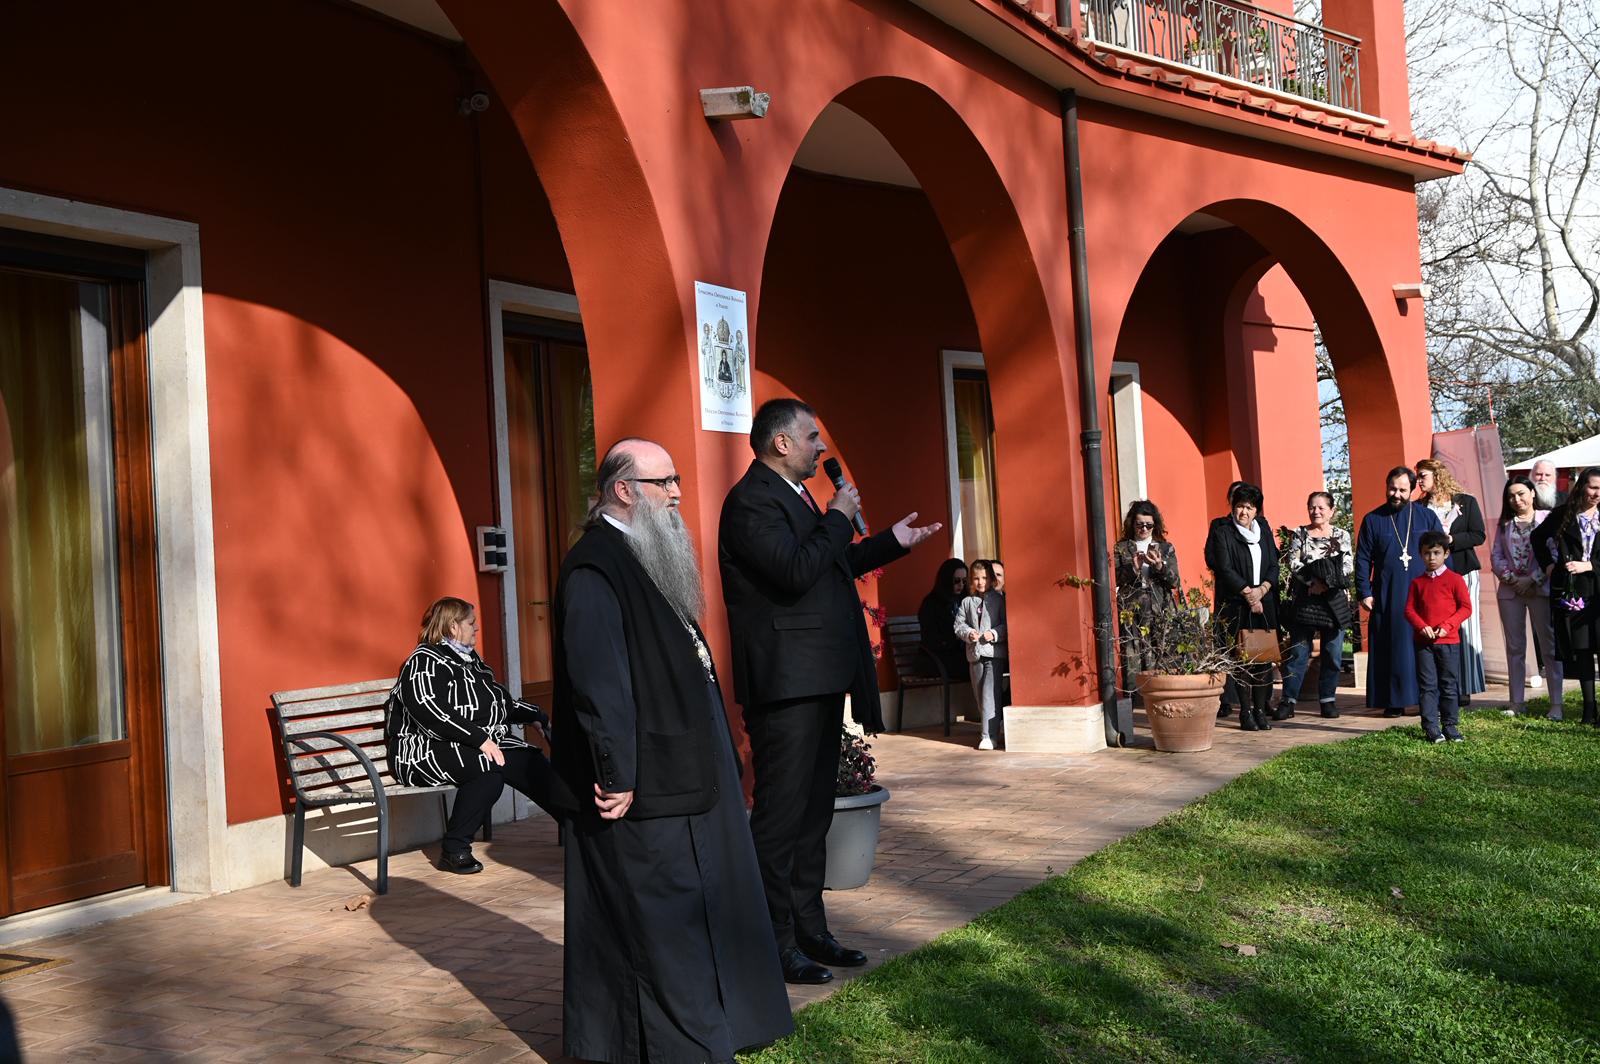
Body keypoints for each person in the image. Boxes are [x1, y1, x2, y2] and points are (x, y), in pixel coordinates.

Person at [552, 438, 792, 1064]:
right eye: (665, 483)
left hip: (685, 767)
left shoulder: (643, 553)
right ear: (624, 490)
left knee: (706, 905)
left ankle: (723, 1028)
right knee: (659, 921)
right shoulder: (594, 567)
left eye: (677, 480)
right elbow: (599, 684)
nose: (678, 493)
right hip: (644, 782)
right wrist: (617, 773)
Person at [720, 398, 940, 985]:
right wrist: (840, 514)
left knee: (815, 813)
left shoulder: (796, 496)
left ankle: (810, 930)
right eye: (812, 437)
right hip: (785, 684)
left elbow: (828, 563)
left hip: (817, 678)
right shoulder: (750, 502)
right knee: (781, 817)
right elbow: (793, 570)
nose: (822, 447)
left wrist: (891, 541)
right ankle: (772, 942)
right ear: (780, 443)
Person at [387, 597, 553, 874]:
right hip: (421, 749)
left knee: (528, 760)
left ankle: (579, 827)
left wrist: (536, 715)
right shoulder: (424, 661)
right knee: (487, 768)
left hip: (464, 742)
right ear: (453, 627)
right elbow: (430, 711)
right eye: (471, 622)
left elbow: (496, 702)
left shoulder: (470, 661)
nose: (476, 628)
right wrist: (481, 740)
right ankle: (454, 850)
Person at [1356, 467, 1444, 717]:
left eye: (1402, 490)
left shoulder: (1427, 517)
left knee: (1423, 649)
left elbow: (1441, 553)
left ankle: (1426, 700)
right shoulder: (1373, 519)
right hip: (1388, 593)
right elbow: (1363, 558)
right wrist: (1364, 591)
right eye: (1392, 489)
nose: (1396, 494)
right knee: (1392, 648)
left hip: (1424, 594)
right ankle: (1392, 701)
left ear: (1412, 490)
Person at [1205, 482, 1280, 731]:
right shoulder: (1223, 532)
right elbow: (1224, 568)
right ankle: (1245, 712)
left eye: (1249, 507)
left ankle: (1260, 711)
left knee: (1263, 659)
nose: (1243, 512)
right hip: (1238, 604)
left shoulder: (1264, 530)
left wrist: (1262, 591)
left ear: (1256, 510)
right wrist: (1249, 594)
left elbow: (1274, 564)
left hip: (1264, 603)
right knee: (1241, 660)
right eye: (1239, 506)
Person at [1415, 458, 1487, 705]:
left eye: (1423, 475)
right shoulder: (1419, 507)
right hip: (1432, 578)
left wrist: (1451, 540)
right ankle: (1439, 687)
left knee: (1465, 628)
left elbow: (1478, 535)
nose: (1419, 481)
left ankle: (1465, 686)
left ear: (1437, 475)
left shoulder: (1466, 502)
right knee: (1436, 627)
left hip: (1464, 571)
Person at [1277, 492, 1355, 720]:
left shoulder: (1341, 535)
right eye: (1312, 507)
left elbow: (1347, 564)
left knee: (1333, 653)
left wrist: (1326, 583)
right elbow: (1293, 562)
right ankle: (1288, 701)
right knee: (1298, 653)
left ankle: (1328, 701)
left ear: (1332, 511)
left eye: (1321, 507)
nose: (1316, 511)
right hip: (1307, 598)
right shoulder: (1300, 534)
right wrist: (1313, 582)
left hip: (1334, 600)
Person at [1533, 465, 1600, 726]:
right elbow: (1537, 537)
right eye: (1593, 488)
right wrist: (1549, 565)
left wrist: (1590, 565)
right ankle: (1588, 709)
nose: (1597, 494)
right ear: (1582, 486)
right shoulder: (1563, 514)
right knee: (1582, 650)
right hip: (1574, 592)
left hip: (1598, 587)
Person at [1491, 474, 1562, 717]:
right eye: (1511, 496)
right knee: (1515, 647)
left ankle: (1556, 704)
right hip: (1511, 591)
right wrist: (1512, 579)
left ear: (1532, 493)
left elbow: (1554, 553)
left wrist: (1533, 579)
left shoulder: (1547, 519)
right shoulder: (1504, 524)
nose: (1516, 499)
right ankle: (1516, 703)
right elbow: (1496, 556)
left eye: (1521, 493)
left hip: (1540, 588)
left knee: (1549, 646)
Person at [1404, 530, 1473, 743]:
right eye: (1427, 553)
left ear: (1446, 553)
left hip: (1449, 642)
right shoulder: (1417, 583)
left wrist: (1447, 626)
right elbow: (1409, 610)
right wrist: (1422, 626)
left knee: (1449, 685)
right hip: (1423, 644)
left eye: (1436, 553)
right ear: (1420, 554)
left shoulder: (1455, 580)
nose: (1431, 558)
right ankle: (1431, 727)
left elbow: (1465, 608)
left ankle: (1450, 726)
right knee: (1427, 686)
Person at [1112, 501, 1181, 698]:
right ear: (1132, 523)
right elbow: (1114, 578)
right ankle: (1134, 701)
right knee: (1132, 656)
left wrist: (1159, 566)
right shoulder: (1122, 548)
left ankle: (1162, 698)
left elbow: (1174, 581)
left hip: (1160, 611)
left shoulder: (1165, 547)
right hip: (1131, 612)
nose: (1144, 529)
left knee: (1161, 655)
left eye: (1148, 525)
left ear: (1154, 525)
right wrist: (1133, 568)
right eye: (1139, 524)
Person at [954, 559, 1006, 750]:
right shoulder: (967, 602)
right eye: (976, 578)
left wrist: (994, 634)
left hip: (993, 654)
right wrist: (968, 633)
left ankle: (988, 736)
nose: (981, 582)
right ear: (971, 580)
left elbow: (1006, 625)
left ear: (991, 579)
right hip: (974, 654)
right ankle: (990, 729)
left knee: (989, 694)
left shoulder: (999, 600)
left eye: (984, 578)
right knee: (979, 694)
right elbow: (958, 625)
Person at [916, 559, 970, 681]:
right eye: (956, 581)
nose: (961, 585)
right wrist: (956, 637)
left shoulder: (965, 600)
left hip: (960, 654)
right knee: (975, 665)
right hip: (936, 658)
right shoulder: (931, 603)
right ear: (947, 580)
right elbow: (931, 638)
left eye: (964, 581)